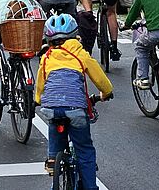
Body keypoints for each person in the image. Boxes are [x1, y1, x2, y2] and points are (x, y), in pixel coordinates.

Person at [36, 14, 113, 190]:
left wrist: (38, 100)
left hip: (51, 108)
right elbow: (100, 79)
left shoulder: (46, 58)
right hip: (75, 109)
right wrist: (107, 92)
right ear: (75, 36)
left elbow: (41, 84)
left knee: (54, 124)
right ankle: (90, 187)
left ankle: (53, 159)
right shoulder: (80, 54)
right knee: (85, 150)